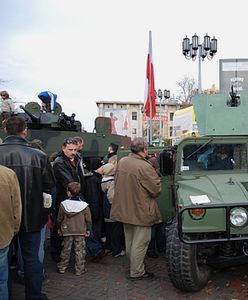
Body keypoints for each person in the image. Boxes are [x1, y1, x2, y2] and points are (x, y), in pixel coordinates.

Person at [0, 116, 55, 300]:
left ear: (5, 130)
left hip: (3, 217)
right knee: (32, 260)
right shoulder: (39, 156)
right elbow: (49, 188)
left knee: (4, 261)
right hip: (33, 216)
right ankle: (34, 295)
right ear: (25, 131)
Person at [110, 137, 162, 280]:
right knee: (141, 241)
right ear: (144, 150)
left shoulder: (122, 162)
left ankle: (134, 266)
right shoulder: (144, 166)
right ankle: (137, 271)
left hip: (125, 208)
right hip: (141, 209)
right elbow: (156, 190)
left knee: (130, 240)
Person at [57, 182, 92, 275]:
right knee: (79, 250)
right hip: (80, 230)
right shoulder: (84, 205)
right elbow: (88, 219)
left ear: (68, 192)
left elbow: (59, 218)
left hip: (67, 229)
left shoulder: (63, 204)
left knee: (66, 249)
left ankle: (62, 267)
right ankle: (79, 269)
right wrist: (88, 229)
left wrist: (59, 228)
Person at [0, 165, 22, 300]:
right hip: (3, 234)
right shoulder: (8, 174)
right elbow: (16, 207)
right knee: (1, 280)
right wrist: (14, 229)